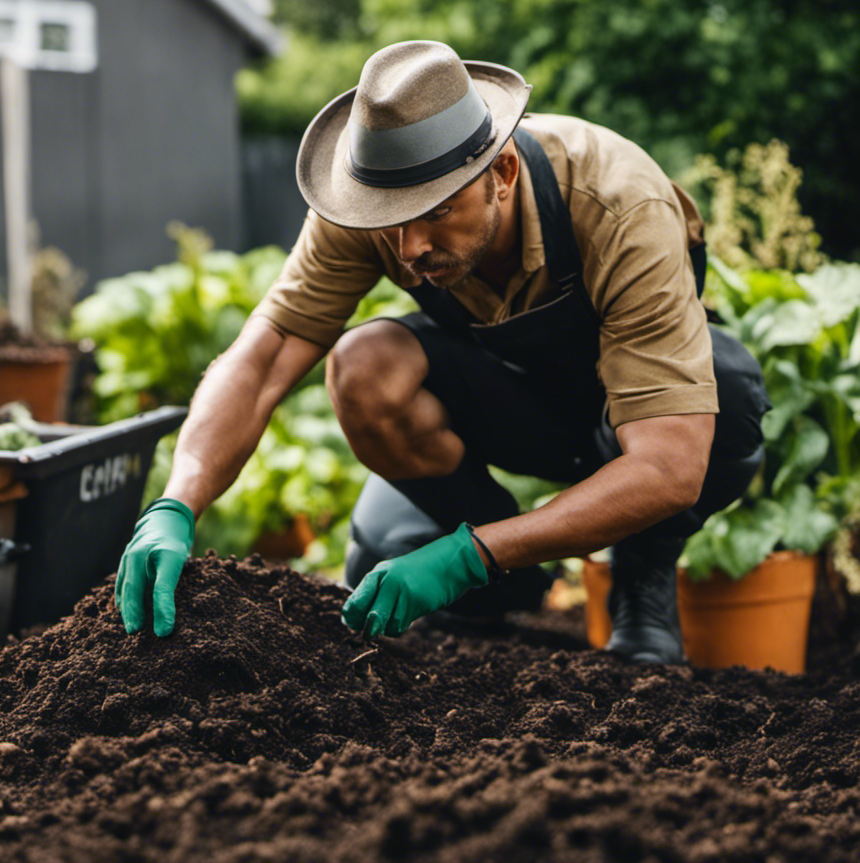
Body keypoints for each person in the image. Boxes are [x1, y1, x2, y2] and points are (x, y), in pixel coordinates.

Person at [115, 40, 770, 664]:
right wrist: (176, 503)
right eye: (389, 218)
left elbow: (669, 466)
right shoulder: (364, 203)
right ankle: (501, 580)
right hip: (508, 405)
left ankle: (641, 575)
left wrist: (468, 555)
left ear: (503, 173)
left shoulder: (617, 200)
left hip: (624, 415)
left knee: (730, 391)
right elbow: (267, 353)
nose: (408, 248)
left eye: (435, 211)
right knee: (365, 369)